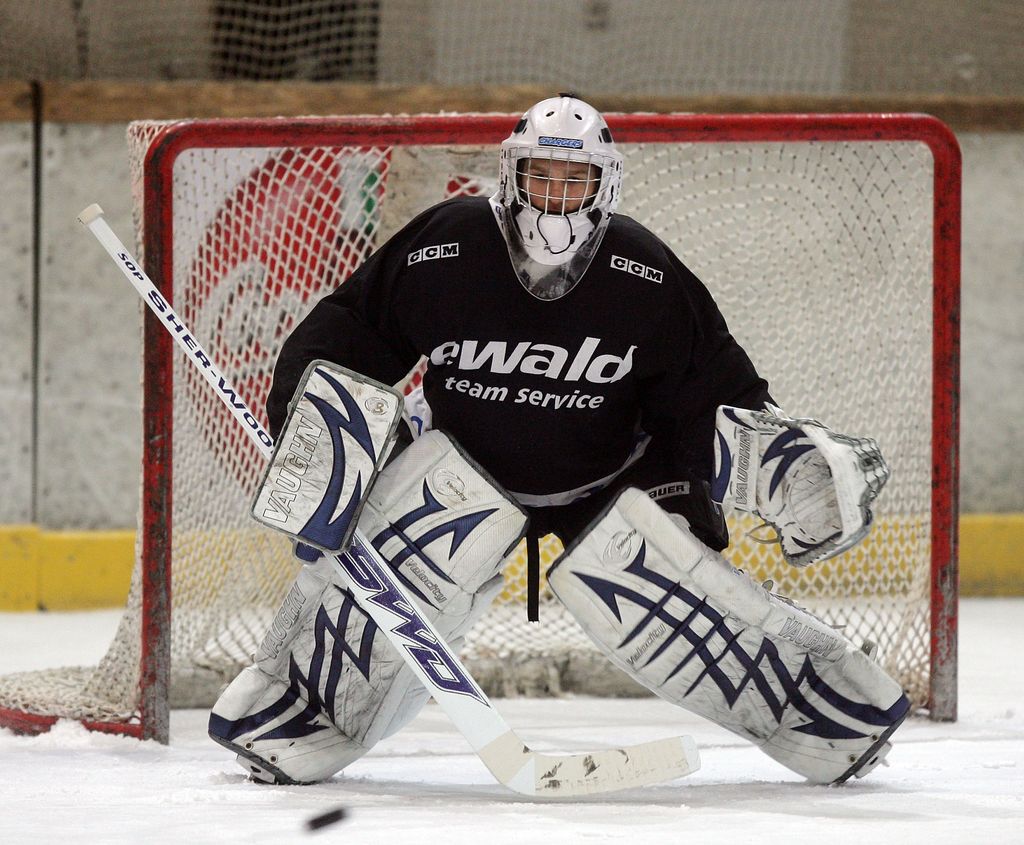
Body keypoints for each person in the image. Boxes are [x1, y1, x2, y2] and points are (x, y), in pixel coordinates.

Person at [209, 94, 908, 787]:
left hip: (613, 478)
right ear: (511, 176)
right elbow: (348, 334)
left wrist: (781, 464)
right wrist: (316, 429)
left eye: (576, 180)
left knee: (645, 570)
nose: (556, 197)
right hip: (468, 471)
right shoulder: (446, 246)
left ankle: (830, 713)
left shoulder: (643, 270)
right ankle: (302, 708)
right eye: (543, 176)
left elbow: (710, 390)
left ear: (604, 186)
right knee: (416, 544)